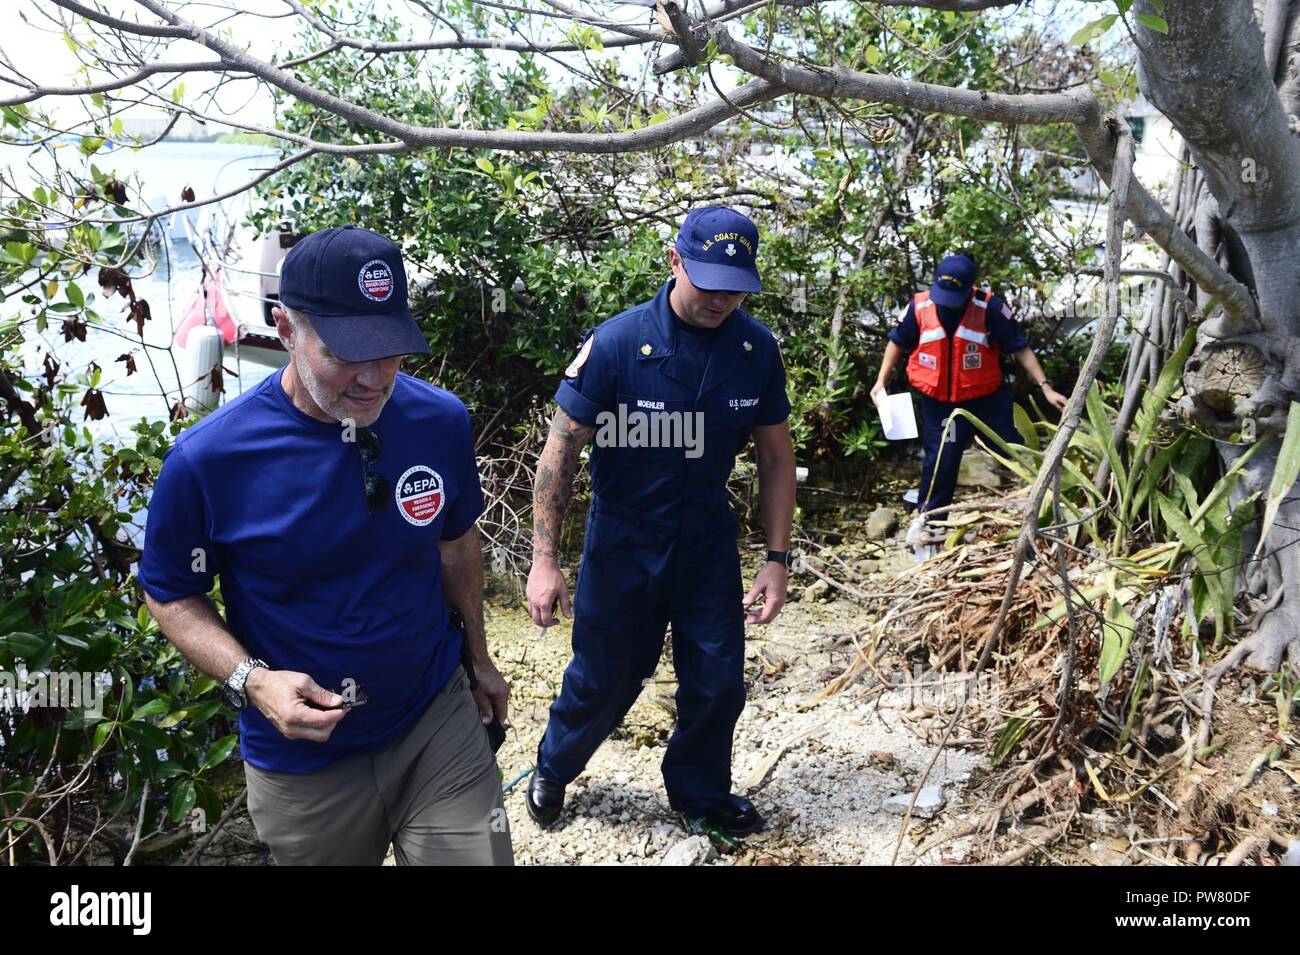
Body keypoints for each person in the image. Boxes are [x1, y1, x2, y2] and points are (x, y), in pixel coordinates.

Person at [138, 225, 513, 866]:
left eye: (390, 348)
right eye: (344, 352)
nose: (372, 378)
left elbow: (456, 544)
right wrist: (252, 681)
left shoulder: (439, 420)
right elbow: (171, 592)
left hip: (432, 716)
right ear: (284, 329)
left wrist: (478, 659)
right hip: (304, 761)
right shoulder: (210, 459)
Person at [524, 206, 796, 842]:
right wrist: (545, 559)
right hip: (624, 540)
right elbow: (560, 448)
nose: (721, 300)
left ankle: (698, 793)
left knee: (719, 680)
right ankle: (555, 765)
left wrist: (776, 559)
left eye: (735, 288)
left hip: (705, 543)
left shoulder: (755, 351)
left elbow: (777, 456)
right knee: (605, 675)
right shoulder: (618, 344)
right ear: (674, 262)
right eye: (708, 283)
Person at [872, 253, 1068, 522]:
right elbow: (897, 341)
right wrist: (880, 380)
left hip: (986, 401)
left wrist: (1046, 387)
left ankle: (1044, 508)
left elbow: (1019, 347)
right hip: (942, 406)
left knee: (1016, 450)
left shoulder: (990, 309)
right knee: (942, 458)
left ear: (969, 288)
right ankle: (930, 521)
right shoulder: (919, 307)